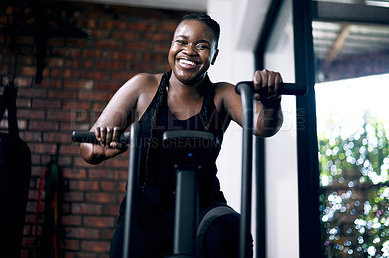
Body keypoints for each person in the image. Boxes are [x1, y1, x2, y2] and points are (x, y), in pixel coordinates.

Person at [80, 13, 283, 258]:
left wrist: (272, 102)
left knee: (231, 234)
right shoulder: (142, 87)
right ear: (172, 45)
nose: (189, 51)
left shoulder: (222, 95)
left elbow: (263, 126)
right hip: (144, 213)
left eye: (202, 46)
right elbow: (88, 146)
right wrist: (98, 149)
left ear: (214, 56)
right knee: (127, 251)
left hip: (204, 208)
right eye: (182, 42)